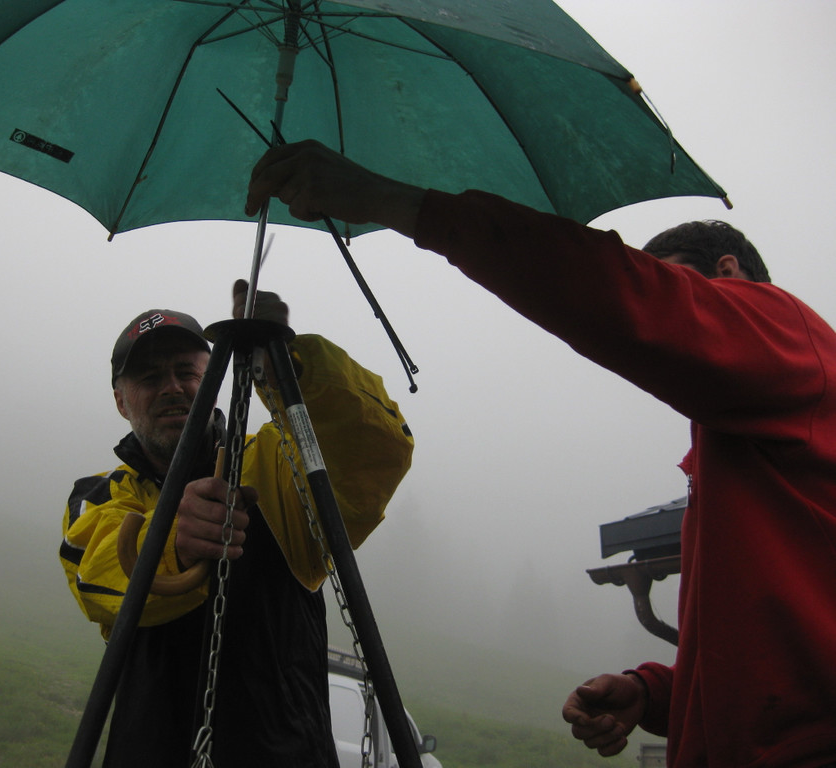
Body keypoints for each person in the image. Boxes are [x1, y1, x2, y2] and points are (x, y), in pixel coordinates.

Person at [245, 140, 836, 767]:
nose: (652, 303)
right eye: (653, 282)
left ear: (728, 272)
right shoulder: (747, 436)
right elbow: (762, 638)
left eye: (668, 280)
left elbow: (622, 298)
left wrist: (390, 201)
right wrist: (654, 692)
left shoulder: (787, 331)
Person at [59, 280, 414, 767]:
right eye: (148, 378)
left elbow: (376, 446)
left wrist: (284, 363)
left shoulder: (272, 460)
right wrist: (174, 545)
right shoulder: (100, 496)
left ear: (213, 376)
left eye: (187, 371)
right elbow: (93, 574)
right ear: (122, 401)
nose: (172, 388)